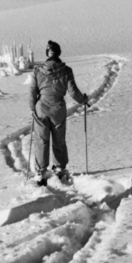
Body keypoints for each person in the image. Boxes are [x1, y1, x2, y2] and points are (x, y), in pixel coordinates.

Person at [30, 40, 88, 186]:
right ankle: (59, 168)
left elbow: (32, 92)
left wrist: (33, 108)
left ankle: (41, 172)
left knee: (41, 140)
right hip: (58, 109)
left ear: (47, 53)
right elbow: (73, 92)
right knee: (59, 139)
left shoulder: (38, 71)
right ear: (59, 53)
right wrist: (83, 100)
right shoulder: (67, 71)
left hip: (41, 109)